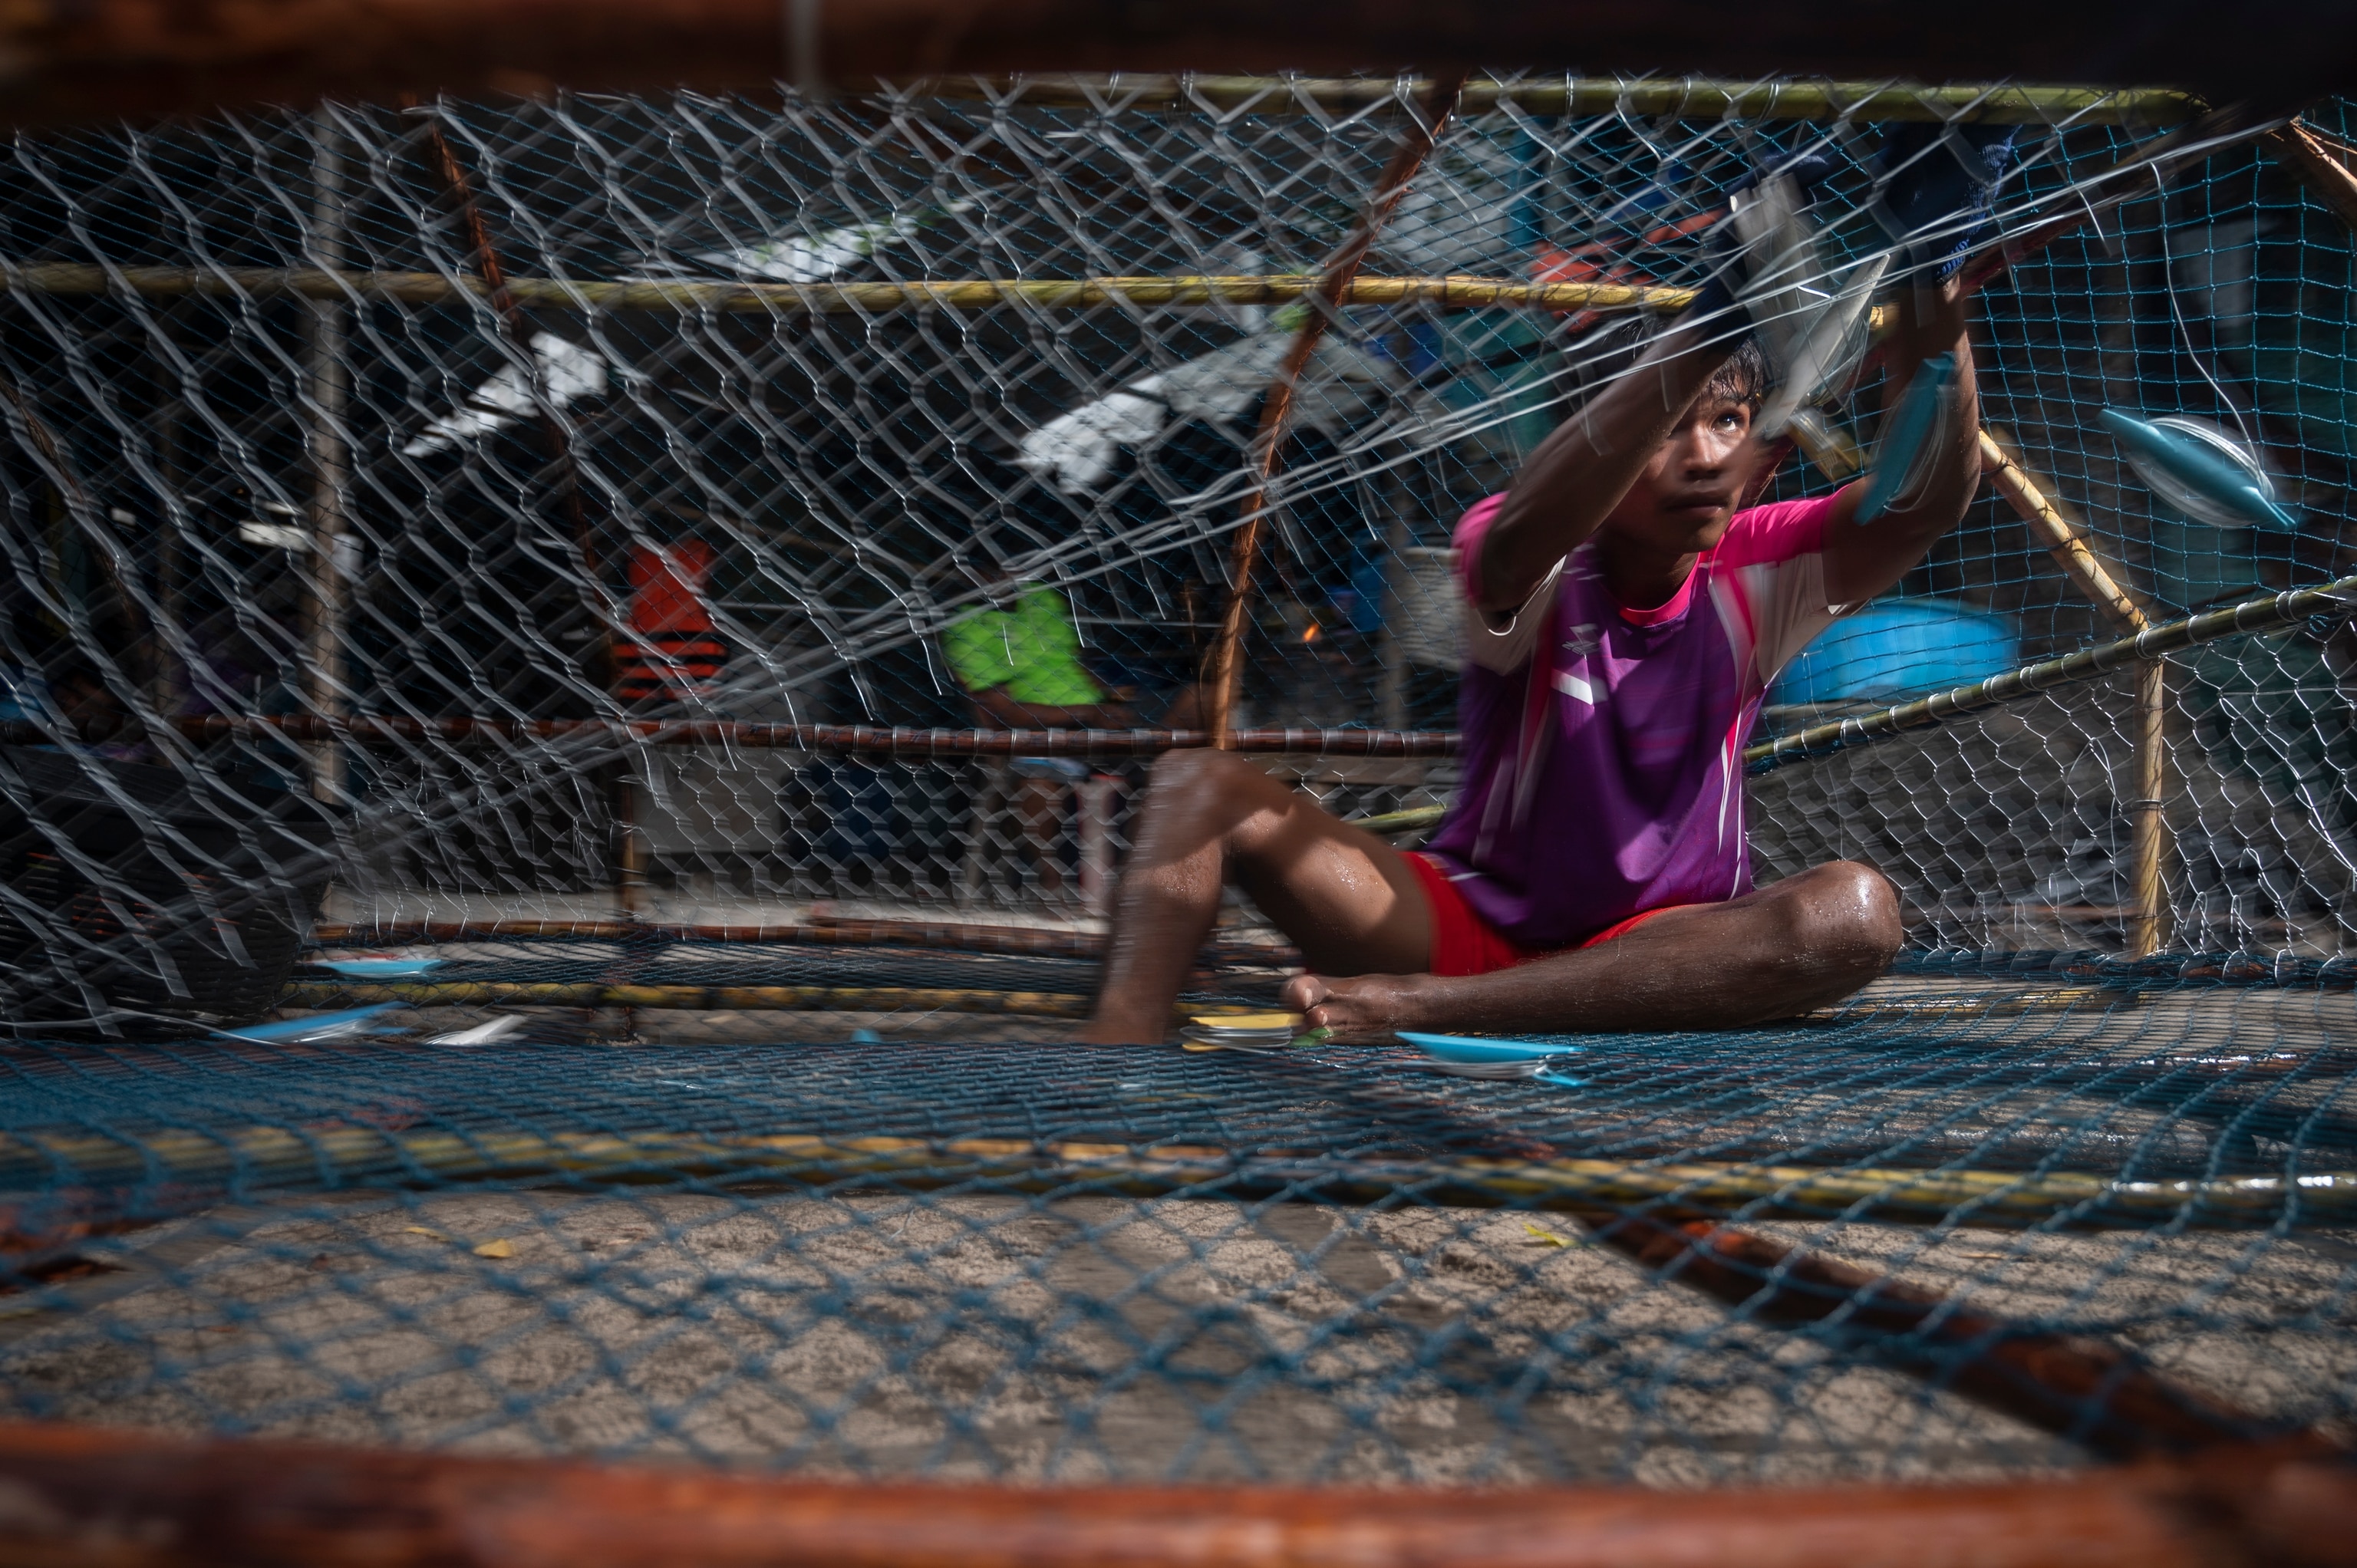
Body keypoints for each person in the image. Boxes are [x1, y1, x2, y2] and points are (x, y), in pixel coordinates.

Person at [1080, 268, 1986, 1043]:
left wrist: (1935, 277)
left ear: (1761, 454)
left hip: (1662, 949)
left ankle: (1434, 1011)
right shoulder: (1524, 542)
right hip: (1464, 919)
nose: (1703, 459)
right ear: (1594, 444)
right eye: (1669, 425)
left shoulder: (1763, 563)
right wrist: (1718, 304)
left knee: (1854, 913)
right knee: (1199, 785)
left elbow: (1929, 496)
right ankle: (1113, 1062)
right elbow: (1519, 545)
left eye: (1730, 421)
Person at [942, 565, 1134, 898]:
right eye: (988, 570)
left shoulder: (1040, 598)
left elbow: (1073, 662)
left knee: (1176, 736)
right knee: (1038, 786)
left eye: (1006, 567)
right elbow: (1002, 709)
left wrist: (1109, 701)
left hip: (1091, 718)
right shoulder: (965, 626)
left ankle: (1133, 879)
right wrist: (1087, 711)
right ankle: (1053, 883)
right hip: (1031, 729)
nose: (1000, 576)